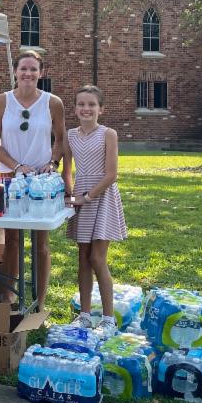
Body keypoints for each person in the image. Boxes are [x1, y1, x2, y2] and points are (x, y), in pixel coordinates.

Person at [0, 49, 66, 311]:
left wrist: (53, 163)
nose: (28, 73)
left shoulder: (52, 103)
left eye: (33, 69)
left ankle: (40, 303)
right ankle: (8, 298)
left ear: (41, 73)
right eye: (23, 68)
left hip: (41, 182)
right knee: (11, 240)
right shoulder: (1, 101)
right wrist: (16, 166)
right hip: (10, 179)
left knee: (40, 244)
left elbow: (60, 139)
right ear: (15, 71)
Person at [62, 84, 127, 331]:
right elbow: (67, 170)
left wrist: (87, 197)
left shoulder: (108, 134)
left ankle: (109, 318)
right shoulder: (70, 135)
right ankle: (85, 315)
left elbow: (111, 175)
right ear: (75, 108)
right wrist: (70, 193)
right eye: (81, 104)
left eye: (91, 104)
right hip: (81, 198)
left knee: (97, 258)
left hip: (102, 197)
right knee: (83, 259)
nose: (86, 108)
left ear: (101, 109)